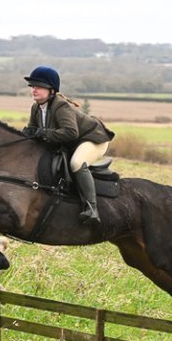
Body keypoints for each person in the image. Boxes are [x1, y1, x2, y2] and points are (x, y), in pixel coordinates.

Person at [22, 66, 115, 226]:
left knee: (76, 163)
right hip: (73, 141)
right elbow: (34, 131)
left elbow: (71, 132)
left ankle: (91, 208)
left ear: (51, 90)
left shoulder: (61, 106)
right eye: (32, 86)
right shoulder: (36, 108)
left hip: (93, 139)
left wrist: (42, 132)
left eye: (39, 86)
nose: (34, 89)